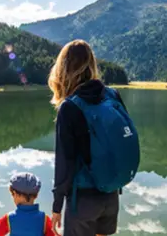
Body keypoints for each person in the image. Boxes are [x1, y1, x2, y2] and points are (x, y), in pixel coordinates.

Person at [48, 40, 139, 236]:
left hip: (82, 203)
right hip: (111, 195)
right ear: (91, 65)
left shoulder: (70, 107)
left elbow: (65, 164)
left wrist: (56, 207)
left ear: (63, 69)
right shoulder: (112, 95)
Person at [0, 172, 54, 236]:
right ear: (37, 195)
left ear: (15, 194)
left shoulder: (10, 218)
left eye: (12, 195)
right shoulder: (44, 219)